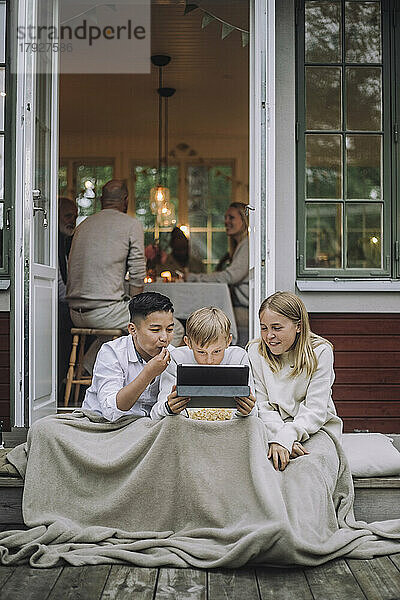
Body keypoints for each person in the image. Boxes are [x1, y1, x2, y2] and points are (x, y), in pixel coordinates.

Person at [247, 291, 343, 472]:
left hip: (315, 428)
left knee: (309, 466)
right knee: (264, 467)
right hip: (270, 428)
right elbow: (263, 406)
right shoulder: (255, 351)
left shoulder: (320, 352)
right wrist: (278, 438)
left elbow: (315, 410)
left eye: (276, 328)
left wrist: (286, 437)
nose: (269, 336)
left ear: (298, 326)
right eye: (264, 328)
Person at [150, 306, 256, 420]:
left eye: (217, 351)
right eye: (201, 352)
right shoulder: (177, 358)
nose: (209, 361)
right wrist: (168, 407)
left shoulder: (238, 357)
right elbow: (155, 414)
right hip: (188, 426)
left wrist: (246, 410)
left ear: (228, 341)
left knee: (254, 424)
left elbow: (254, 412)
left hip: (230, 425)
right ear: (188, 343)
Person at [82, 292, 175, 421]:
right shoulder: (112, 352)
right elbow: (111, 412)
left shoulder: (173, 355)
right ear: (133, 330)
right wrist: (149, 373)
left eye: (169, 330)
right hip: (105, 423)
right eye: (155, 330)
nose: (164, 338)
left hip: (147, 425)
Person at [184, 202, 249, 346]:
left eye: (231, 217)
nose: (226, 221)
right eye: (225, 217)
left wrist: (195, 278)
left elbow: (230, 276)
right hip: (239, 305)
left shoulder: (248, 244)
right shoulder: (240, 245)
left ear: (244, 220)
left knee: (207, 317)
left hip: (246, 308)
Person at [58, 197, 78, 395]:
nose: (72, 220)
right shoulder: (48, 243)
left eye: (75, 216)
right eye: (68, 215)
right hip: (56, 303)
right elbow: (58, 287)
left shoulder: (68, 242)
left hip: (66, 301)